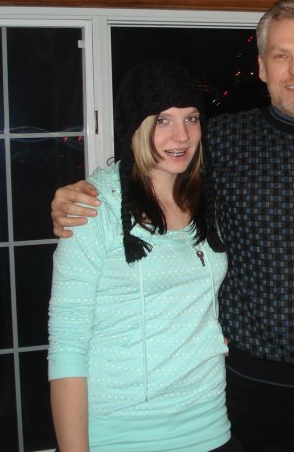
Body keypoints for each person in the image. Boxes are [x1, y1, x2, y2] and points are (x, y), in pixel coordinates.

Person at [49, 0, 294, 451]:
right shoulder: (221, 142)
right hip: (245, 387)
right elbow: (148, 166)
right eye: (281, 56)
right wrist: (79, 195)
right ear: (262, 67)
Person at [48, 59, 241, 452]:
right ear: (137, 127)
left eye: (191, 118)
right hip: (123, 431)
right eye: (163, 120)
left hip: (208, 421)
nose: (182, 135)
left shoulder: (206, 196)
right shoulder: (94, 205)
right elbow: (68, 342)